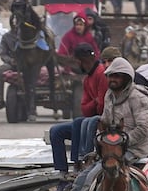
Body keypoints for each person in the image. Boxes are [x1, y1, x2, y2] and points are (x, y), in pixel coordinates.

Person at [34, 58, 148, 191]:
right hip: (111, 149)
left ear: (126, 78)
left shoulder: (139, 99)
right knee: (80, 178)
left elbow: (144, 130)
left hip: (132, 150)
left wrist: (121, 141)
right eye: (110, 76)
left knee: (91, 178)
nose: (112, 79)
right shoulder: (110, 96)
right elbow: (106, 123)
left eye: (117, 76)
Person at [46, 43, 108, 174]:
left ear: (81, 61)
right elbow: (85, 108)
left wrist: (94, 103)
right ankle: (62, 172)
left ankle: (78, 164)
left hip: (103, 121)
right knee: (56, 131)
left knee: (79, 122)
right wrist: (94, 102)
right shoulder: (87, 79)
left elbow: (102, 106)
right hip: (89, 120)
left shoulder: (101, 73)